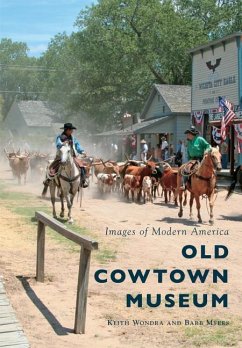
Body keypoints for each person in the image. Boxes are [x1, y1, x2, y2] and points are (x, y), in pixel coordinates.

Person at [44, 123, 88, 188]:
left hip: (72, 156)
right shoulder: (60, 137)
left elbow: (77, 146)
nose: (72, 131)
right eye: (71, 130)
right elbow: (58, 145)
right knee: (52, 167)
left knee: (81, 166)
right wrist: (63, 144)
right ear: (67, 130)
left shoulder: (73, 138)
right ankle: (48, 179)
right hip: (61, 156)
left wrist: (82, 151)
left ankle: (83, 181)